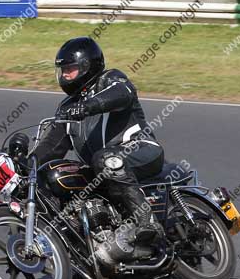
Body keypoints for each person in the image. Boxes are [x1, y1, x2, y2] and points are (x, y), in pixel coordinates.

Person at [32, 37, 164, 249]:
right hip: (100, 170)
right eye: (62, 71)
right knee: (52, 177)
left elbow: (122, 94)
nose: (65, 76)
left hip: (142, 151)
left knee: (105, 159)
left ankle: (147, 221)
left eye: (70, 69)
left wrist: (88, 106)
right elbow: (51, 148)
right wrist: (23, 167)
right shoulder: (67, 106)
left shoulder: (111, 79)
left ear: (86, 66)